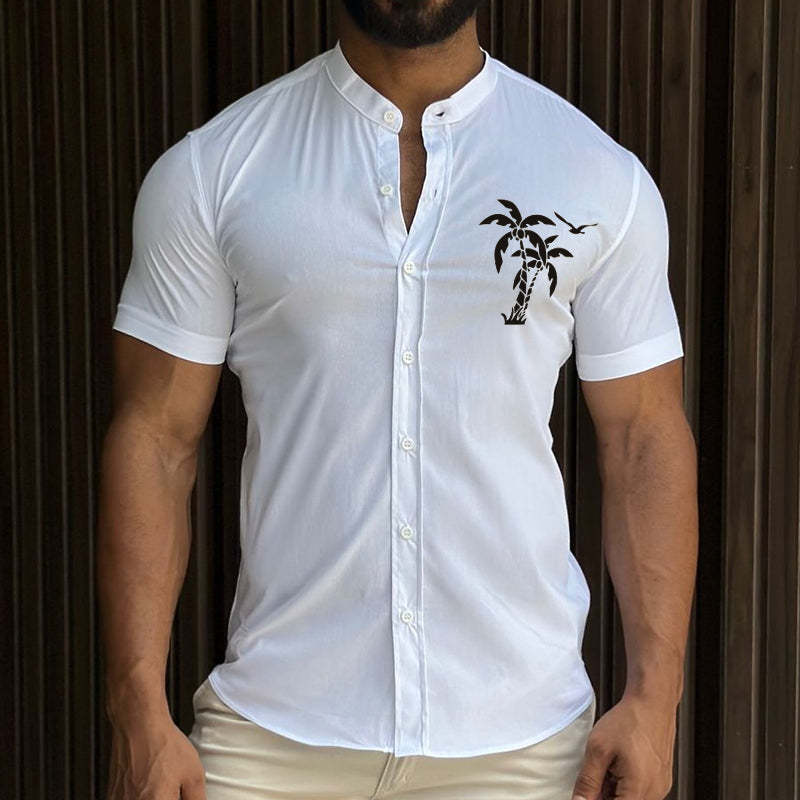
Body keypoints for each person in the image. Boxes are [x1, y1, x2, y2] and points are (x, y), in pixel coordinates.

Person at [98, 0, 699, 798]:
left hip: (525, 747)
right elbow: (155, 439)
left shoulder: (594, 175)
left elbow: (643, 439)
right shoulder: (215, 171)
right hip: (272, 737)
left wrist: (656, 698)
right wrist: (137, 705)